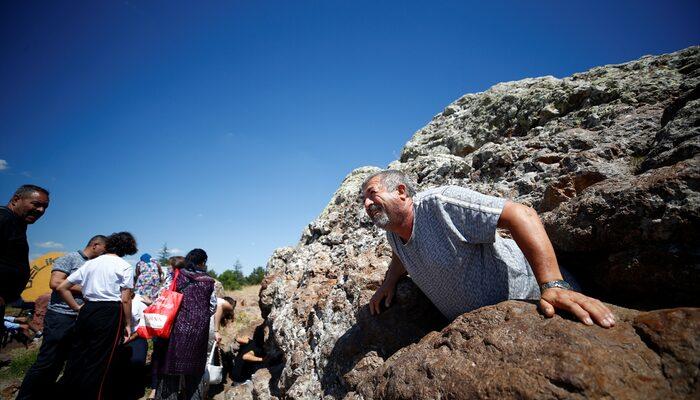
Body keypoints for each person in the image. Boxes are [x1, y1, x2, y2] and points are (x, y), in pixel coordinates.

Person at [362, 170, 616, 328]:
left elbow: (521, 214)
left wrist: (553, 286)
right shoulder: (394, 234)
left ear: (402, 191)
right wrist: (388, 282)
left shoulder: (441, 204)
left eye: (372, 193)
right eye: (362, 199)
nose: (366, 203)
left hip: (535, 303)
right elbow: (402, 255)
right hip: (488, 328)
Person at [17, 235, 107, 399]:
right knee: (48, 361)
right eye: (104, 249)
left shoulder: (95, 265)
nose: (105, 253)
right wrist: (89, 289)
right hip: (61, 316)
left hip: (81, 319)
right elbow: (56, 283)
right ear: (95, 245)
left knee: (72, 361)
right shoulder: (70, 258)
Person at [55, 231, 138, 400]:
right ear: (127, 248)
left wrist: (78, 308)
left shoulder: (90, 263)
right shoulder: (124, 266)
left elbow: (61, 287)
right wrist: (128, 324)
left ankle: (67, 394)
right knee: (100, 361)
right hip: (109, 312)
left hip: (88, 309)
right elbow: (126, 299)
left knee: (78, 355)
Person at [156, 249, 216, 400]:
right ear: (203, 262)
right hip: (199, 331)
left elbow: (162, 295)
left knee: (171, 370)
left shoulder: (176, 275)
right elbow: (213, 306)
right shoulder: (209, 281)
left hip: (176, 329)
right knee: (195, 372)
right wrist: (199, 317)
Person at [0, 185, 49, 340]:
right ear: (16, 200)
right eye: (36, 204)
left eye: (44, 207)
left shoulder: (17, 223)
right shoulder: (4, 218)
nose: (41, 210)